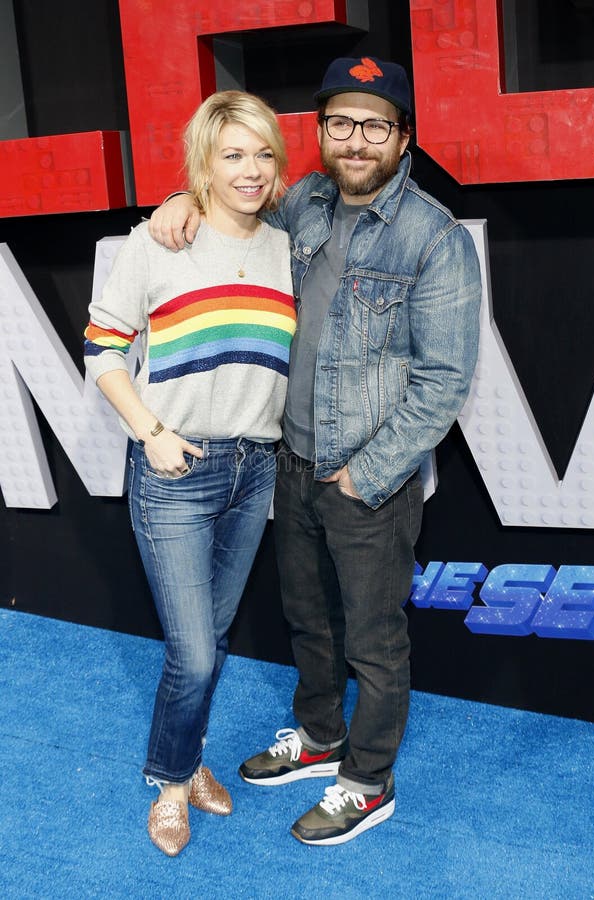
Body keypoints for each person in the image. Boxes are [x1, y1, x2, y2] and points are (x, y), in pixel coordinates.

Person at [149, 56, 481, 846]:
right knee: (309, 622)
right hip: (289, 463)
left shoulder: (432, 237)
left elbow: (443, 381)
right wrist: (178, 203)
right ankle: (320, 736)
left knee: (372, 638)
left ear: (403, 139)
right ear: (322, 133)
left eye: (375, 126)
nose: (355, 140)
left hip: (369, 476)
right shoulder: (301, 202)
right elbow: (232, 205)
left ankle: (366, 779)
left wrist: (363, 475)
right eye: (340, 123)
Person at [84, 91, 295, 856]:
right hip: (177, 468)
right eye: (230, 154)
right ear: (202, 162)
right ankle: (172, 783)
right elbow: (103, 348)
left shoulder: (288, 242)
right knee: (195, 650)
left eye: (262, 153)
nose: (249, 170)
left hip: (255, 468)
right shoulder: (158, 242)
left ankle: (190, 754)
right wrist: (151, 431)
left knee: (214, 635)